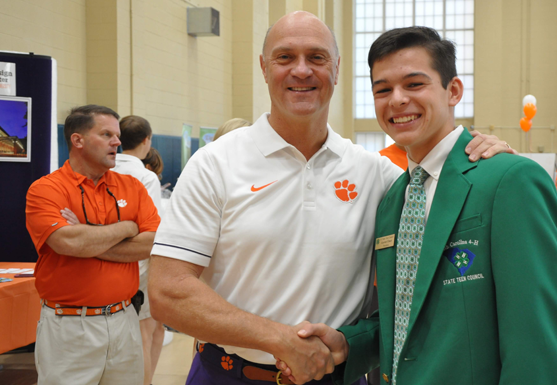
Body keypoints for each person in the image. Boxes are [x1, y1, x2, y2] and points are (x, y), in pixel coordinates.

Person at [148, 12, 512, 385]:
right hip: (229, 374)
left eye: (317, 58)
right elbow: (167, 291)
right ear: (263, 67)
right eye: (285, 57)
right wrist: (279, 339)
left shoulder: (379, 176)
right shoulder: (215, 163)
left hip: (338, 375)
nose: (301, 70)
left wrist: (484, 152)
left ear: (337, 69)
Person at [280, 26, 557, 385]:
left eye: (414, 84)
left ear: (453, 91)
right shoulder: (393, 198)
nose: (398, 100)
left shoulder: (508, 181)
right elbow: (407, 313)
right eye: (383, 89)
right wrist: (348, 344)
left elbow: (538, 341)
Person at [25, 105, 161, 384]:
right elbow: (66, 242)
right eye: (107, 134)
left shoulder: (132, 187)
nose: (117, 142)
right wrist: (127, 227)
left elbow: (151, 243)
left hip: (125, 320)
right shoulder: (46, 189)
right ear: (78, 140)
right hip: (70, 327)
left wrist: (87, 239)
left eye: (118, 135)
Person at [112, 115, 165, 385]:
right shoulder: (144, 176)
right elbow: (150, 228)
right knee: (145, 333)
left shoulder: (107, 169)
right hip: (139, 265)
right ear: (147, 140)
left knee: (152, 330)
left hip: (113, 262)